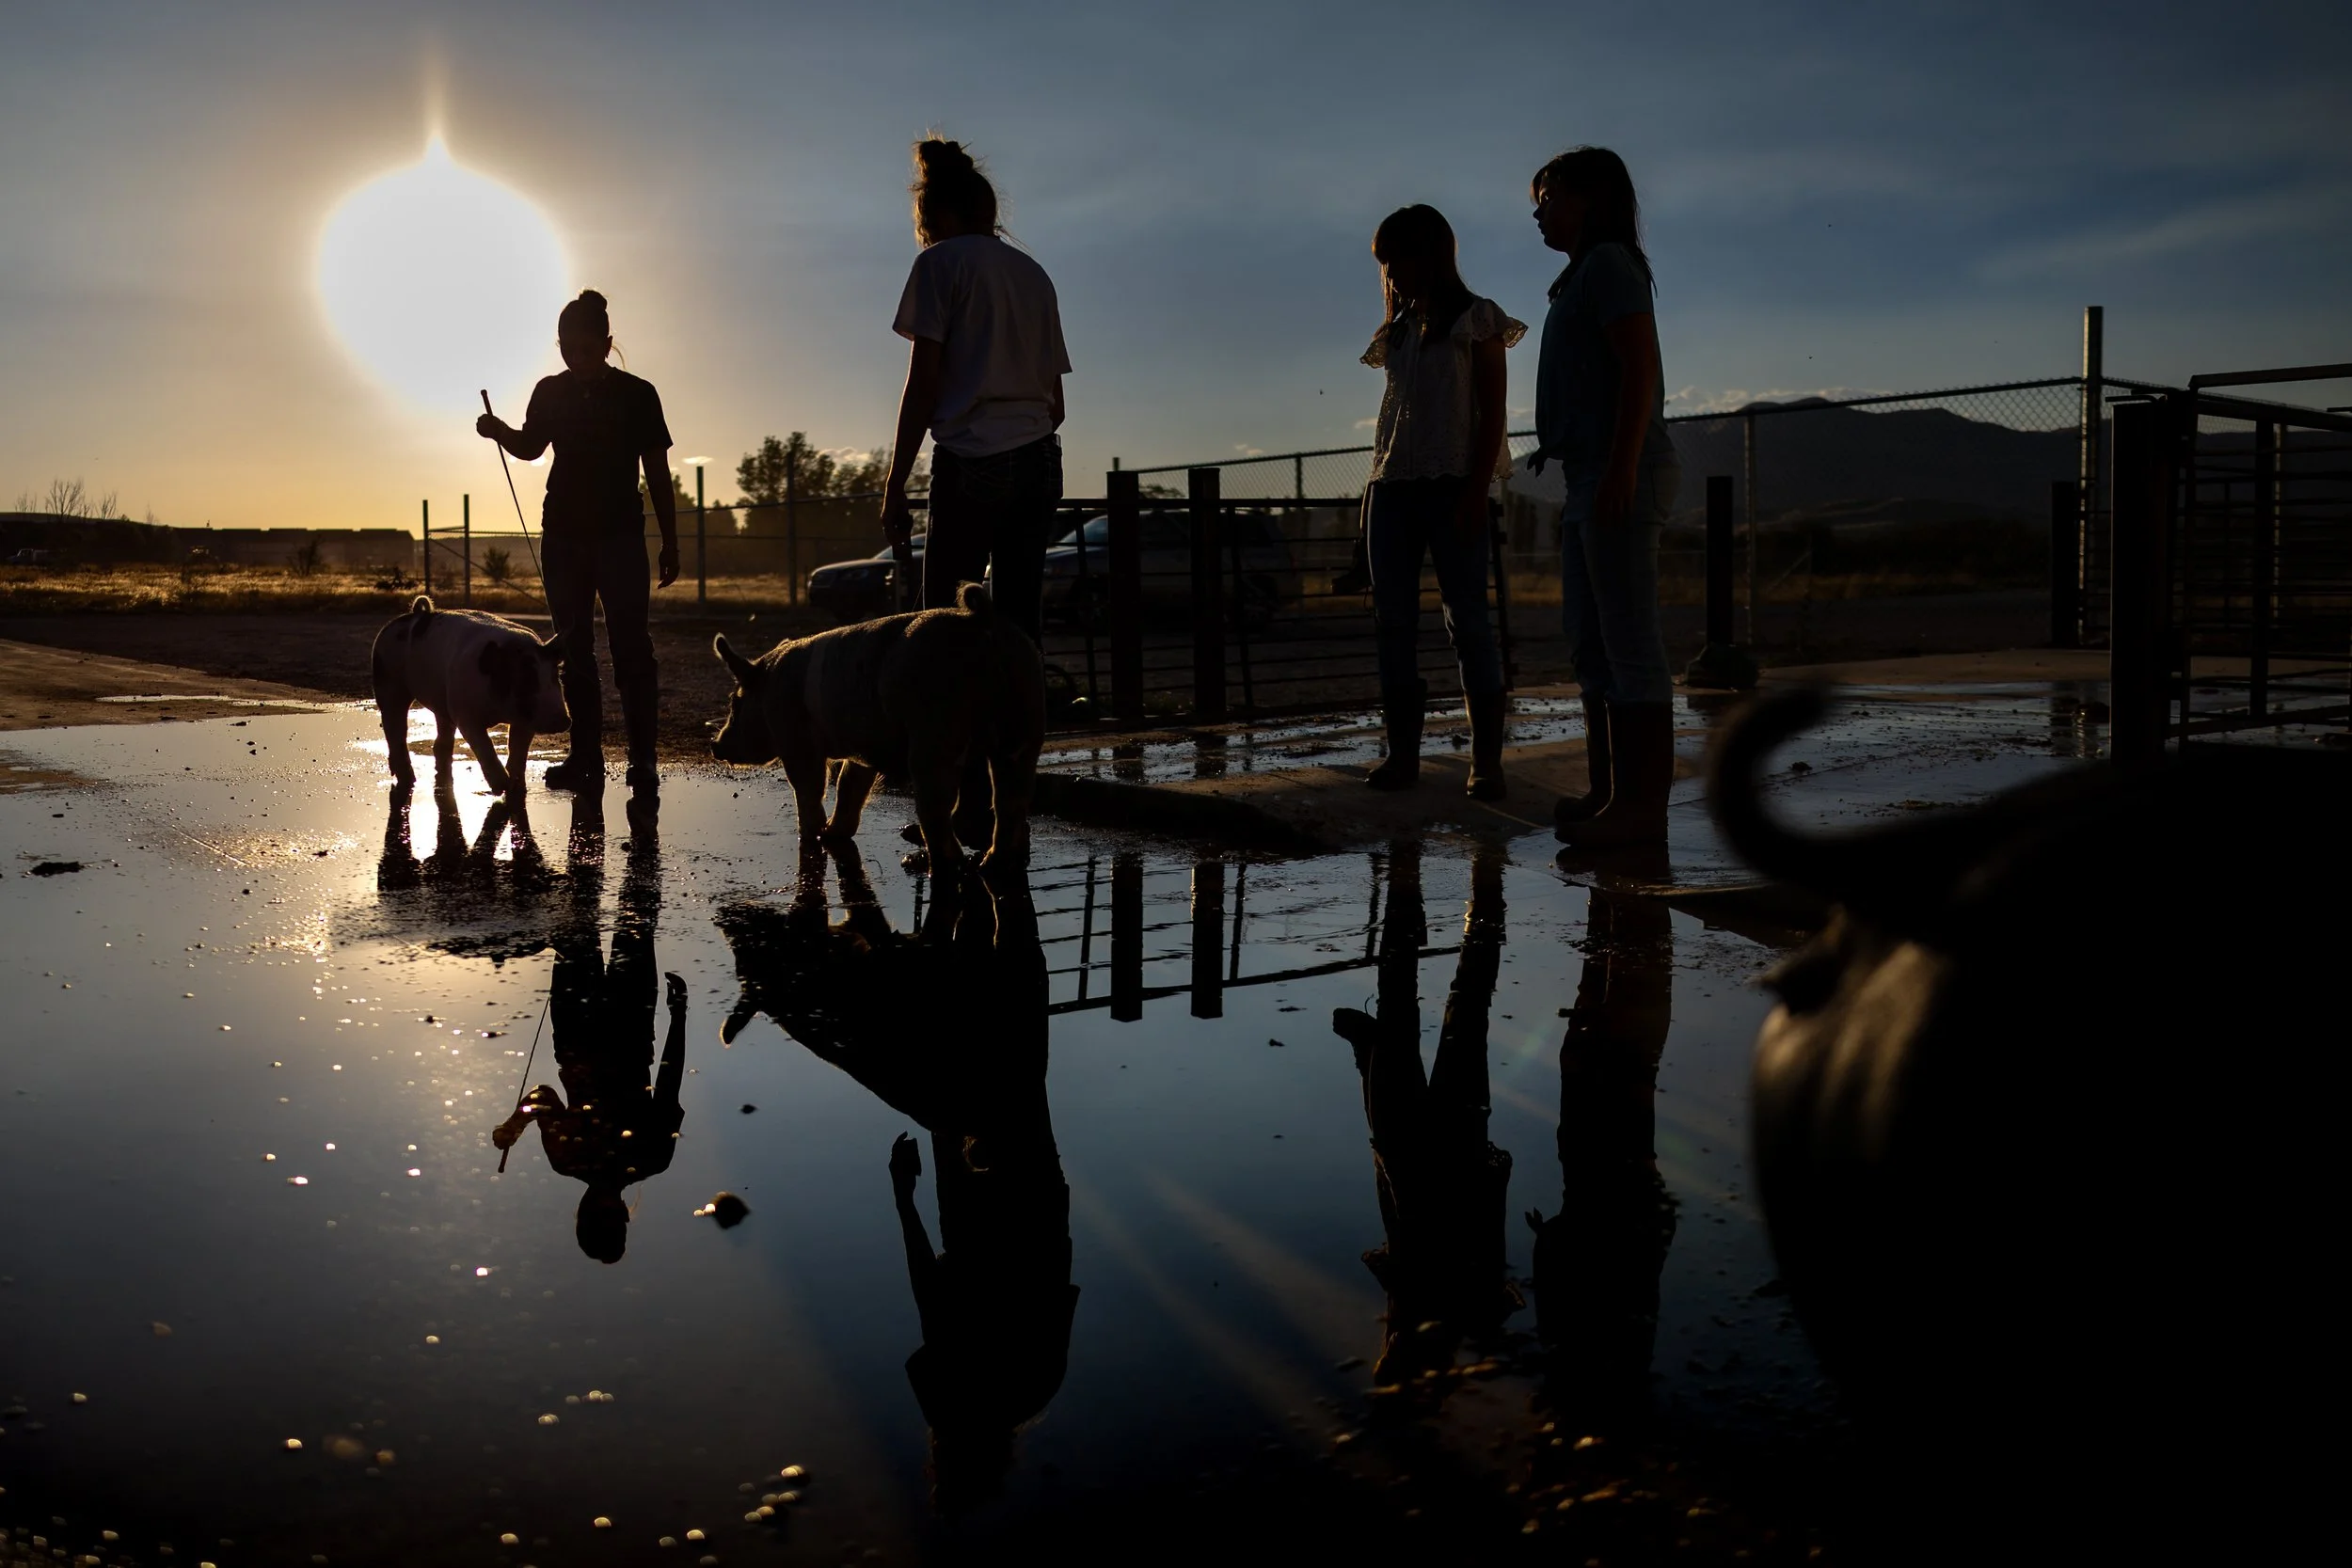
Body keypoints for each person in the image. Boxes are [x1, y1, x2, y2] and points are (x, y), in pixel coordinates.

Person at [1526, 149, 1680, 847]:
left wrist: (1621, 470)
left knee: (1629, 642)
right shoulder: (1579, 276)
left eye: (1549, 195)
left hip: (1620, 470)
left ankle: (1640, 806)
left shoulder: (1612, 266)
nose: (1539, 210)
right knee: (1591, 643)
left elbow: (1639, 370)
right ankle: (1608, 789)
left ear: (1591, 198)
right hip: (1590, 474)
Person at [477, 289, 680, 799]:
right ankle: (585, 757)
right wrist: (498, 430)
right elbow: (530, 446)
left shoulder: (639, 394)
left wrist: (671, 540)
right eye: (568, 348)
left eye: (586, 348)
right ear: (560, 345)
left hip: (621, 539)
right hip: (563, 537)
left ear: (608, 343)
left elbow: (657, 471)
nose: (577, 357)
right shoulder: (550, 391)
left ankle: (643, 762)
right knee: (573, 649)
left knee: (632, 648)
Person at [1358, 205, 1522, 799]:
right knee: (1392, 625)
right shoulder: (1397, 330)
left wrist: (1476, 490)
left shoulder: (1478, 321)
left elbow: (1492, 416)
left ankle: (1487, 763)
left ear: (1431, 254)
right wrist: (1369, 500)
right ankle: (1403, 757)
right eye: (1385, 265)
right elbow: (1390, 424)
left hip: (1452, 483)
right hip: (1390, 489)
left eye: (1397, 259)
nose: (1392, 274)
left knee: (1468, 624)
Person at [879, 138, 1070, 647]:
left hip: (972, 458)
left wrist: (895, 482)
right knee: (1017, 620)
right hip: (1040, 463)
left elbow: (924, 385)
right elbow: (1057, 403)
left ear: (933, 212)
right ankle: (1017, 724)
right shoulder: (1034, 275)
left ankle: (942, 726)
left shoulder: (940, 264)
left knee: (942, 622)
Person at [490, 801, 686, 1263]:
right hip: (620, 1026)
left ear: (580, 1215)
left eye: (590, 1218)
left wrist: (519, 1121)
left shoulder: (578, 1161)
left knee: (581, 920)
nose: (598, 1210)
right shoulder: (642, 1159)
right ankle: (638, 824)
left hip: (588, 1032)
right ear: (620, 1217)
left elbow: (541, 1096)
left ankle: (589, 808)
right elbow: (670, 1082)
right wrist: (679, 1016)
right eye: (606, 1220)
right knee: (633, 916)